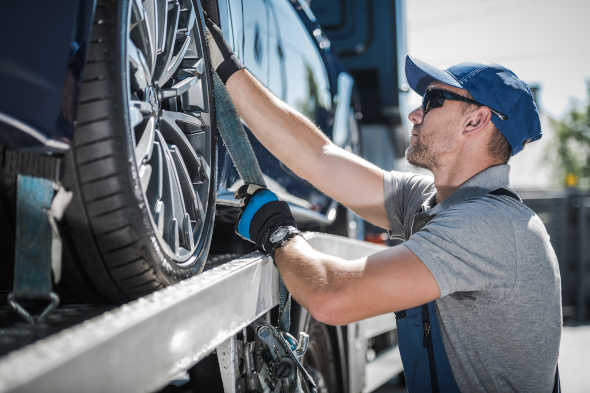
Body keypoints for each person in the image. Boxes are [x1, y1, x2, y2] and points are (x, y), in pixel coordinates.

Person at [205, 17, 561, 393]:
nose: (414, 113)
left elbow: (331, 296)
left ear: (476, 120)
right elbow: (319, 157)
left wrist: (277, 232)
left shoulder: (490, 227)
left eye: (433, 101)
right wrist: (229, 69)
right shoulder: (433, 200)